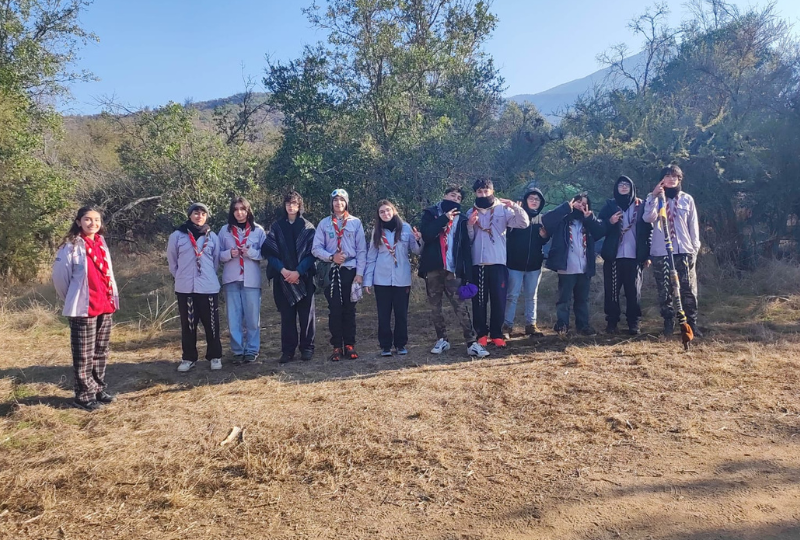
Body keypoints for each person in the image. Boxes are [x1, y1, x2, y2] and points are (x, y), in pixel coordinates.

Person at [52, 207, 120, 411]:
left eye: (97, 219)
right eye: (88, 219)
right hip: (84, 307)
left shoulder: (101, 242)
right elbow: (60, 279)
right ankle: (83, 396)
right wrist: (73, 298)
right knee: (84, 354)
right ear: (78, 221)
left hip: (104, 304)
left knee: (101, 351)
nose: (93, 223)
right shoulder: (70, 246)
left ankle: (98, 389)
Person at [418, 185, 489, 358]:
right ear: (444, 196)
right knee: (435, 307)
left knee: (460, 306)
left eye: (458, 198)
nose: (455, 199)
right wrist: (444, 219)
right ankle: (442, 339)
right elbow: (427, 235)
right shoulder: (430, 214)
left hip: (453, 270)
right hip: (433, 268)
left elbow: (466, 249)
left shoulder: (463, 220)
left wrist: (468, 276)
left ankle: (471, 342)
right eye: (452, 195)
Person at [466, 178, 530, 348]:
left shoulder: (503, 209)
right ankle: (481, 334)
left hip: (498, 262)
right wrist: (470, 225)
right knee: (479, 302)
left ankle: (496, 334)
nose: (483, 194)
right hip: (479, 263)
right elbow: (469, 239)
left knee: (499, 300)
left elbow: (524, 223)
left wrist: (515, 207)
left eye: (486, 191)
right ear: (475, 193)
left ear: (492, 191)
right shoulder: (470, 212)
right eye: (479, 192)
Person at [642, 164, 702, 337]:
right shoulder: (654, 198)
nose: (671, 179)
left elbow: (693, 225)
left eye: (674, 176)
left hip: (684, 250)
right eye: (667, 176)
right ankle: (668, 323)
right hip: (661, 252)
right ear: (662, 180)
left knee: (688, 289)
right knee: (665, 290)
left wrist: (694, 248)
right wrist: (654, 196)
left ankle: (691, 324)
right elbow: (648, 218)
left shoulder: (686, 199)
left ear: (679, 179)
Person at [311, 189, 367, 362]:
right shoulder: (324, 223)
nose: (338, 203)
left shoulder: (355, 223)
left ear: (346, 203)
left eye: (342, 200)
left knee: (349, 309)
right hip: (331, 271)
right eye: (335, 200)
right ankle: (336, 346)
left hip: (350, 270)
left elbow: (362, 250)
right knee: (334, 309)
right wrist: (331, 257)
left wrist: (360, 274)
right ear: (331, 203)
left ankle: (349, 344)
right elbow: (315, 248)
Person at [262, 191, 317, 363]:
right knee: (287, 316)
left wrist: (298, 272)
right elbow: (269, 252)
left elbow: (312, 253)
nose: (291, 206)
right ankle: (288, 350)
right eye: (288, 203)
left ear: (299, 206)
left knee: (307, 315)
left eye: (294, 203)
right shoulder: (277, 227)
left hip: (304, 278)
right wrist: (283, 271)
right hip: (283, 279)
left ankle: (307, 348)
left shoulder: (308, 227)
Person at [167, 203, 223, 372]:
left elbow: (215, 261)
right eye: (196, 213)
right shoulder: (178, 236)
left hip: (208, 287)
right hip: (186, 288)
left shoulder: (212, 236)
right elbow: (172, 261)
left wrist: (206, 276)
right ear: (190, 215)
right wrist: (181, 276)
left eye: (203, 214)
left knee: (212, 324)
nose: (200, 216)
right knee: (188, 325)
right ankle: (189, 358)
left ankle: (215, 356)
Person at [364, 200, 422, 356]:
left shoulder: (406, 228)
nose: (385, 214)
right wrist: (367, 280)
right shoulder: (377, 231)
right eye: (382, 212)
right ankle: (385, 346)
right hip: (381, 279)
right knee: (383, 315)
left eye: (388, 210)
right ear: (378, 215)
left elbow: (416, 250)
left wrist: (419, 239)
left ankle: (401, 344)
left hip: (402, 279)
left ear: (394, 211)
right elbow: (371, 256)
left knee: (401, 314)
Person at [542, 193, 605, 336]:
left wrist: (590, 218)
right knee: (564, 300)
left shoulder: (588, 223)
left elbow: (601, 231)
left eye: (584, 204)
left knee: (582, 299)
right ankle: (562, 326)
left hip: (584, 268)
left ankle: (583, 326)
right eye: (578, 202)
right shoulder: (563, 220)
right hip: (566, 267)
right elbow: (547, 219)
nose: (580, 205)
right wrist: (566, 208)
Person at [597, 176, 653, 335]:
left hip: (635, 256)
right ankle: (612, 322)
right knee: (612, 292)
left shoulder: (641, 206)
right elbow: (599, 229)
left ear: (632, 187)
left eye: (626, 184)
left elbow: (649, 231)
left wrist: (647, 255)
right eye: (620, 184)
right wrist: (610, 222)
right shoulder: (609, 206)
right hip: (613, 256)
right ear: (616, 187)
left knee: (633, 292)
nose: (623, 187)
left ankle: (633, 323)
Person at [218, 197, 266, 364]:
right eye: (236, 209)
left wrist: (250, 253)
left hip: (251, 280)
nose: (239, 212)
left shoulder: (258, 230)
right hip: (231, 279)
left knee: (252, 318)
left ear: (248, 211)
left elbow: (265, 254)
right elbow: (217, 254)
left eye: (242, 209)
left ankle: (252, 350)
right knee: (234, 318)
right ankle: (238, 350)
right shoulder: (224, 230)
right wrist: (228, 254)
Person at [503, 185, 549, 338]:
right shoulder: (515, 216)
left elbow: (543, 241)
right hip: (514, 264)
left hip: (534, 265)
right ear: (525, 200)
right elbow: (506, 235)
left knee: (532, 296)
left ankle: (531, 325)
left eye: (537, 199)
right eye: (531, 198)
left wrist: (544, 236)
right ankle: (507, 326)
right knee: (512, 296)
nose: (534, 201)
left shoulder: (542, 219)